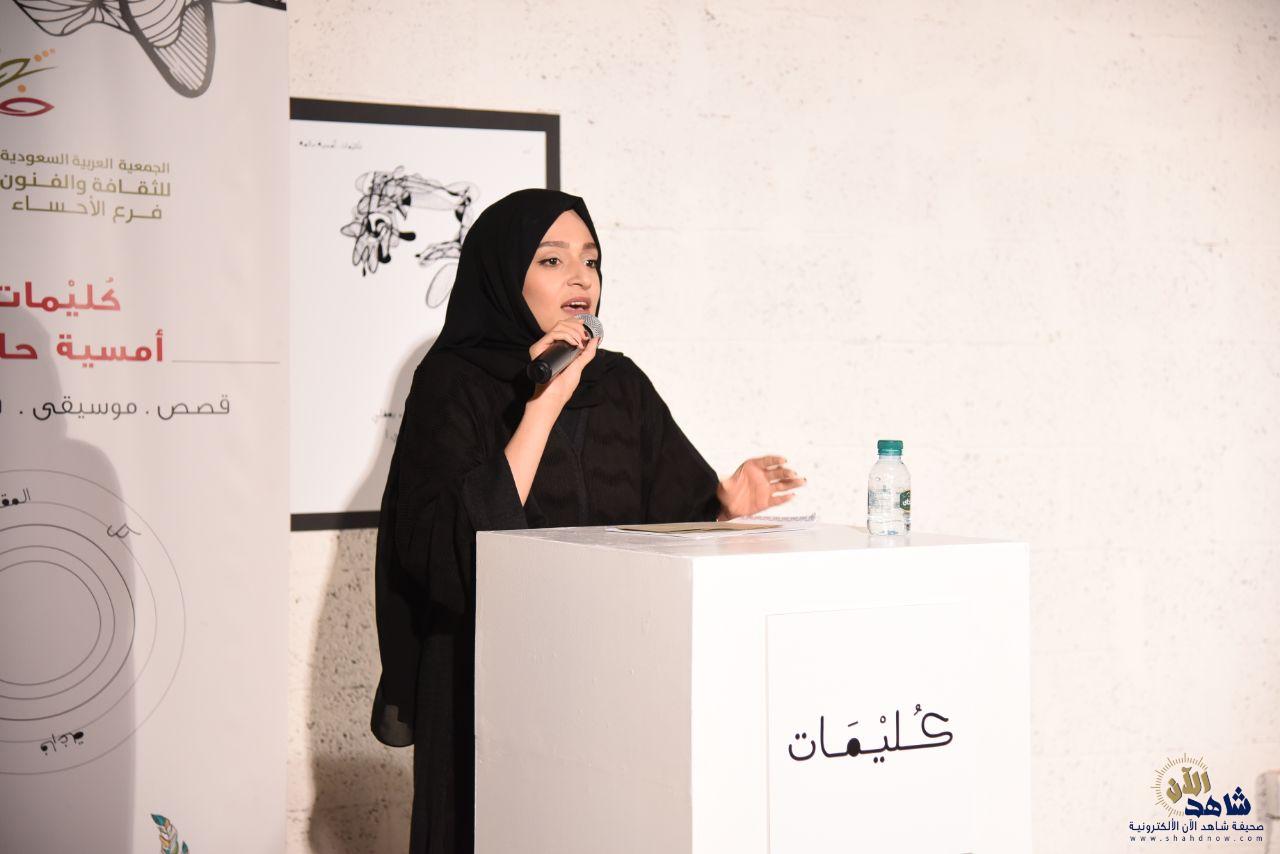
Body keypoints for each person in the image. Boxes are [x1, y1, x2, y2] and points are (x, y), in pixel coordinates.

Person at [370, 188, 806, 854]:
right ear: (504, 275)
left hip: (603, 677)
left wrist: (723, 504)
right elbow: (448, 550)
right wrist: (544, 402)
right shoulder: (453, 383)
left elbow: (661, 525)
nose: (580, 278)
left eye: (591, 260)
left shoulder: (621, 385)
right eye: (552, 260)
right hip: (484, 682)